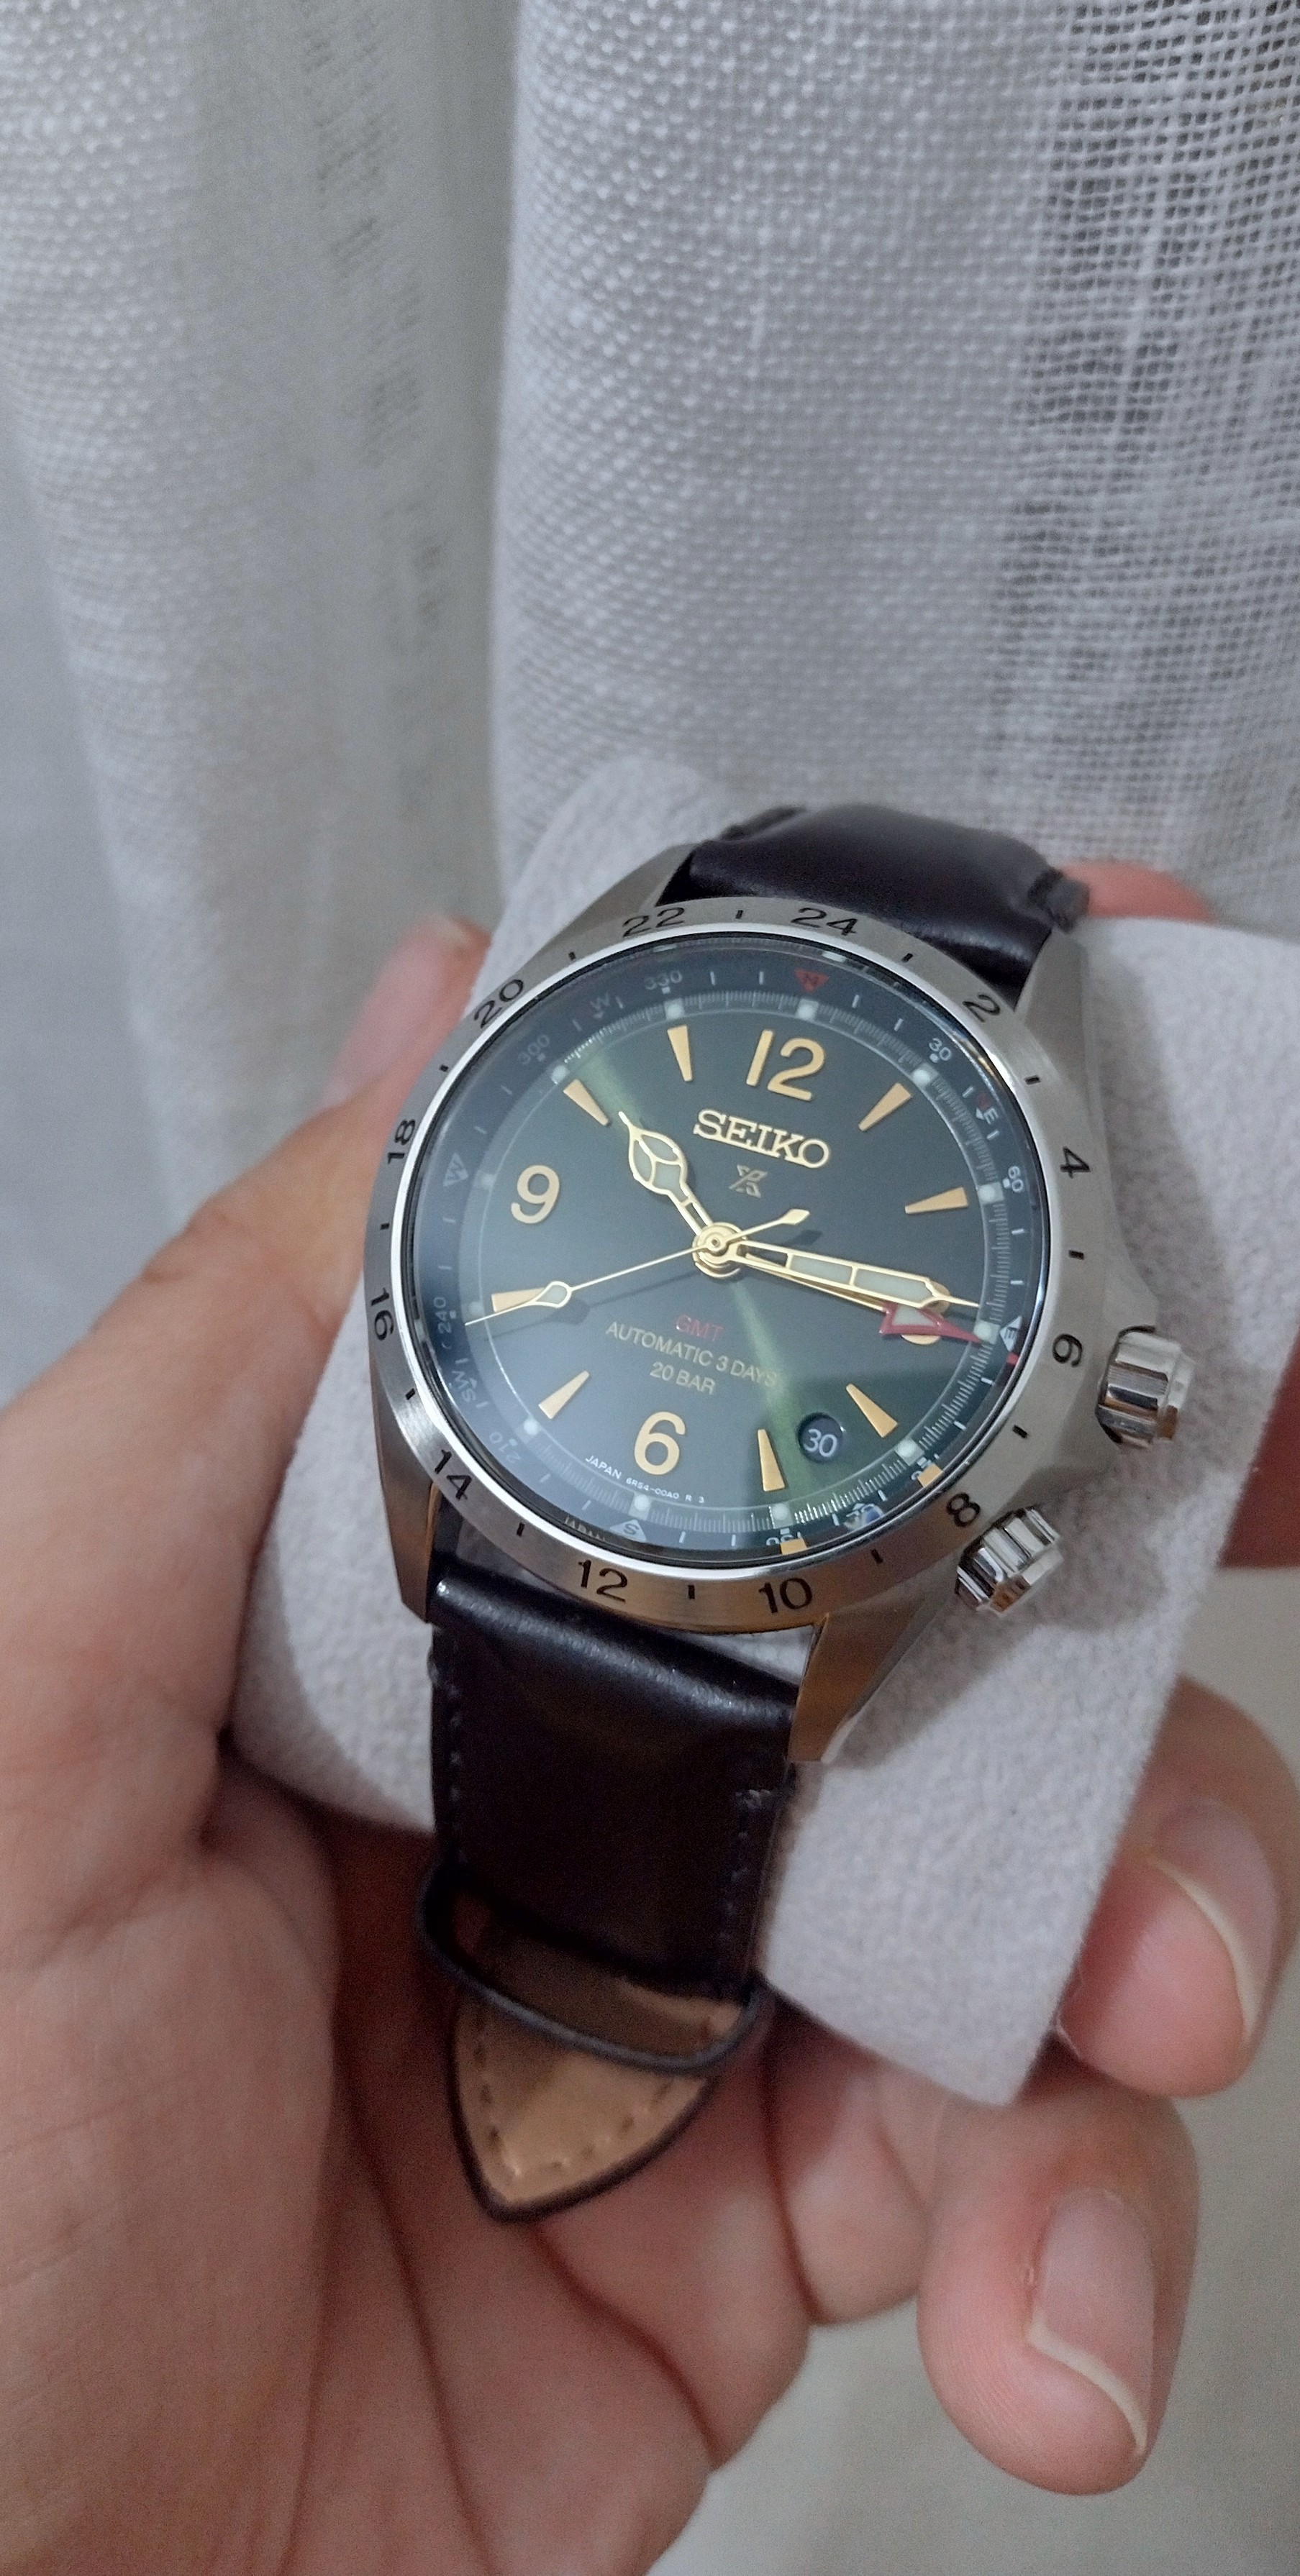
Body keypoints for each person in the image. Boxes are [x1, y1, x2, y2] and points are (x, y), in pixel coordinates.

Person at [0, 869, 1294, 2576]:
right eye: (706, 1238)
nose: (716, 1257)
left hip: (730, 1574)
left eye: (736, 1256)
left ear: (1091, 1371)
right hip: (513, 1512)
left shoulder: (1025, 1240)